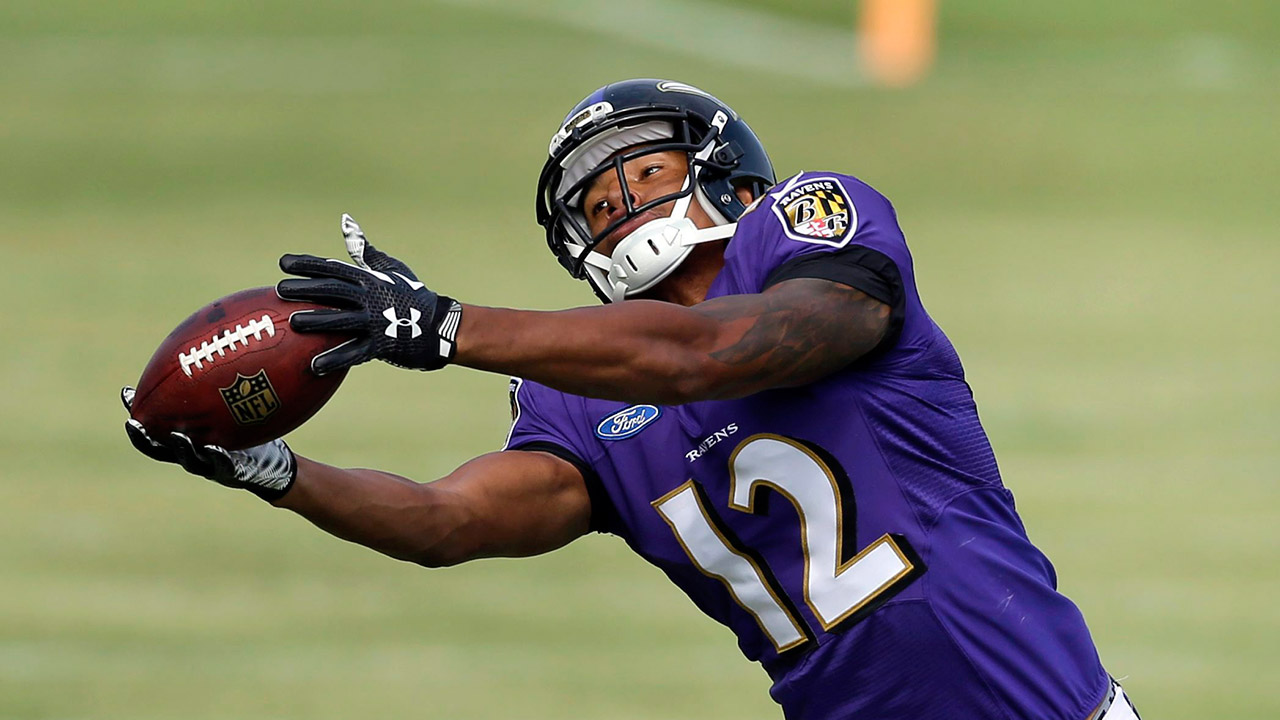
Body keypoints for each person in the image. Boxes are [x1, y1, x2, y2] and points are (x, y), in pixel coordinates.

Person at [122, 79, 1141, 720]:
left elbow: (708, 358)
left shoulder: (803, 230)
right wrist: (284, 475)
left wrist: (445, 326)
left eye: (641, 174)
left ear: (722, 172)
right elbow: (449, 521)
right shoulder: (576, 400)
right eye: (594, 204)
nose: (618, 210)